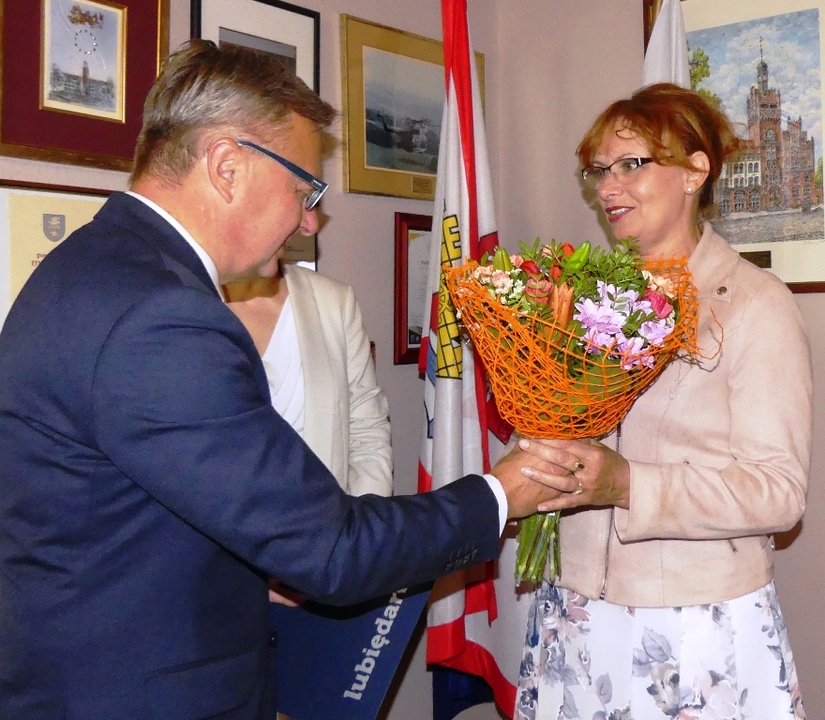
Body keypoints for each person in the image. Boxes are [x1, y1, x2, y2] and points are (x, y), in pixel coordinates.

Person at [0, 40, 565, 720]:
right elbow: (335, 550)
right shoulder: (162, 315)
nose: (309, 220)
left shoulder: (93, 265)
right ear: (227, 167)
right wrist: (500, 494)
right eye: (304, 190)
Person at [513, 84, 812, 719]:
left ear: (695, 171)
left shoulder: (756, 304)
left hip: (692, 625)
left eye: (631, 164)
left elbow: (779, 493)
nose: (608, 187)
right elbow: (561, 423)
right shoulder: (581, 298)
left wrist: (628, 484)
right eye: (599, 170)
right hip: (575, 612)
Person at [224, 254, 392, 498]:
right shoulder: (185, 298)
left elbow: (368, 432)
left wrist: (360, 514)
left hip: (325, 515)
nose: (309, 231)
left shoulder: (332, 300)